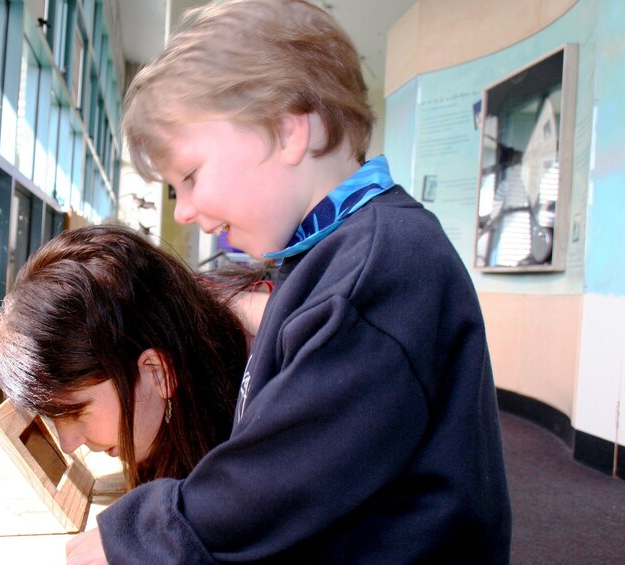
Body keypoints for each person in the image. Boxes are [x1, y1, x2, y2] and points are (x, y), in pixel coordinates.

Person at [66, 0, 512, 562]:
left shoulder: (381, 267)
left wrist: (131, 541)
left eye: (190, 176)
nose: (183, 211)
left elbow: (284, 476)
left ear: (286, 129)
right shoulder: (333, 258)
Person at [0, 225, 267, 488]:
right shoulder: (195, 348)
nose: (67, 443)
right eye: (54, 417)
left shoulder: (277, 379)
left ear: (157, 371)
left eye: (77, 413)